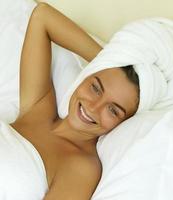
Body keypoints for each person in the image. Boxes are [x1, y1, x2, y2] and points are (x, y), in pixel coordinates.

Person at [10, 2, 140, 199]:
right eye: (95, 87)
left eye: (113, 110)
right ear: (84, 77)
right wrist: (108, 61)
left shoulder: (82, 167)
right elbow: (41, 17)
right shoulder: (38, 108)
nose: (94, 107)